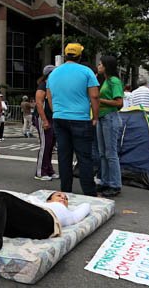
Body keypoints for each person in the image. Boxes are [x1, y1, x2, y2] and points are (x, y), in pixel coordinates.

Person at [0, 191, 90, 276]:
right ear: (48, 200)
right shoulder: (38, 203)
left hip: (45, 223)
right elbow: (21, 205)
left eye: (66, 199)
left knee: (0, 196)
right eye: (59, 195)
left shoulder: (69, 214)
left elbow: (86, 206)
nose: (63, 198)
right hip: (21, 226)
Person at [47, 43, 99, 196]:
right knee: (84, 157)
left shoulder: (54, 73)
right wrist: (95, 117)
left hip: (59, 118)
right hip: (80, 119)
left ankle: (66, 191)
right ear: (80, 56)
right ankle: (89, 193)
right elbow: (94, 96)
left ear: (65, 55)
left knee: (64, 156)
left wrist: (56, 110)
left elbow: (49, 96)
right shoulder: (86, 71)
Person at [96, 56, 124, 198]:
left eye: (100, 64)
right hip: (102, 118)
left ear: (106, 66)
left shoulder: (114, 81)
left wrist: (98, 100)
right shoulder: (106, 81)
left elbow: (119, 103)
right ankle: (105, 181)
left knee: (111, 153)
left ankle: (115, 184)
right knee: (103, 153)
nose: (98, 66)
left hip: (110, 118)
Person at [34, 65, 58, 181]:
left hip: (51, 118)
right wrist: (44, 120)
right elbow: (39, 103)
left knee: (50, 145)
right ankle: (40, 172)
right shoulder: (43, 86)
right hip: (44, 118)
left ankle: (48, 169)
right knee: (45, 145)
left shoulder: (51, 86)